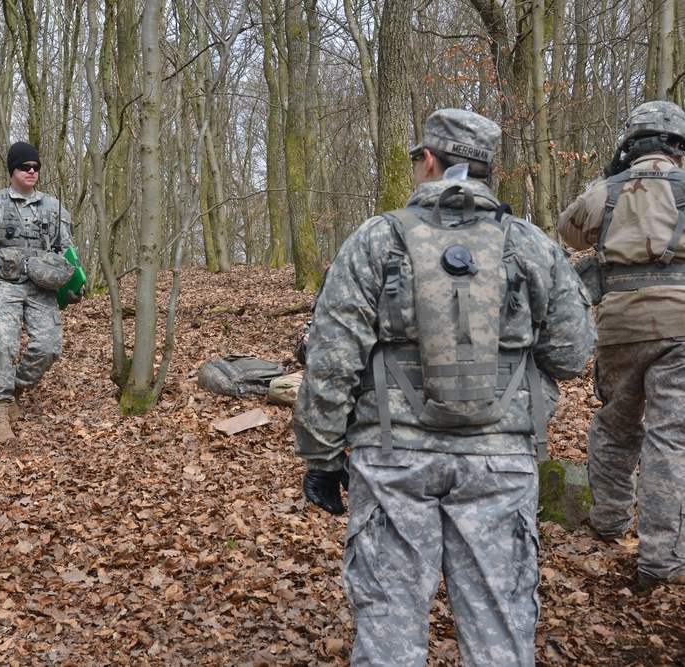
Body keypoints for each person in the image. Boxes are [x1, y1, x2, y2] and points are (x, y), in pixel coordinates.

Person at [293, 108, 596, 666]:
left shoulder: (376, 239)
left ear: (428, 161)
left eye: (416, 161)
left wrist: (321, 456)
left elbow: (332, 362)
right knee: (500, 627)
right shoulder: (530, 245)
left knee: (388, 625)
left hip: (392, 458)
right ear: (486, 171)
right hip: (500, 462)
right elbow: (573, 354)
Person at [557, 100, 685, 591]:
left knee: (616, 425)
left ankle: (609, 523)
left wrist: (612, 189)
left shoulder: (605, 191)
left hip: (621, 327)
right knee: (671, 438)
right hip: (681, 330)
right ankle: (661, 559)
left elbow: (569, 232)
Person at [0, 141, 84, 445]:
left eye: (35, 167)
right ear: (12, 170)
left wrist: (73, 285)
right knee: (3, 342)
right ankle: (1, 410)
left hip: (43, 287)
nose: (31, 172)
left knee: (49, 346)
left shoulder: (54, 207)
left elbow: (66, 250)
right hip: (6, 284)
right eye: (24, 167)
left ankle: (15, 387)